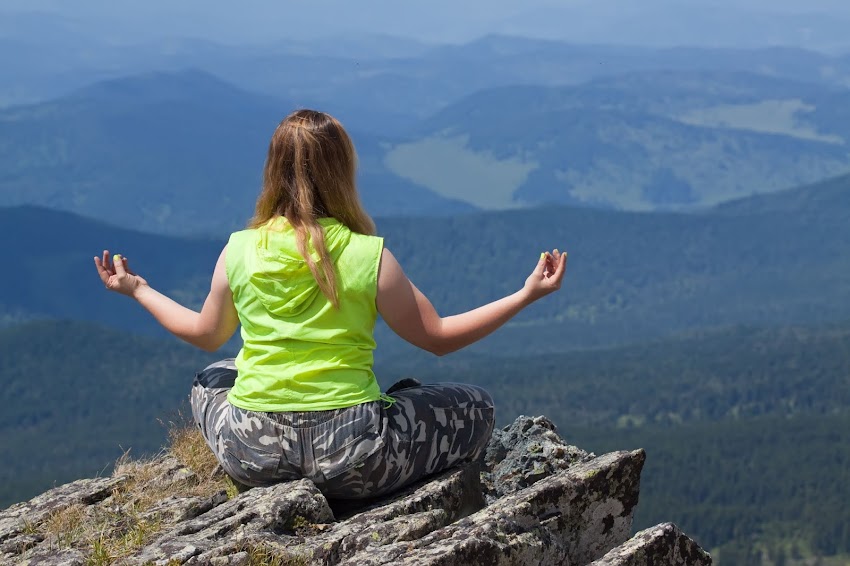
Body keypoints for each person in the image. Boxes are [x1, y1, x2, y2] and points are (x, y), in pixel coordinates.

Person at [94, 109, 567, 499]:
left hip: (253, 455)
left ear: (273, 171)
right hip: (355, 455)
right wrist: (525, 295)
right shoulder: (368, 255)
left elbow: (205, 334)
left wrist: (139, 289)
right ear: (342, 171)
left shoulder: (238, 249)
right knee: (476, 406)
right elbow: (439, 338)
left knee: (211, 377)